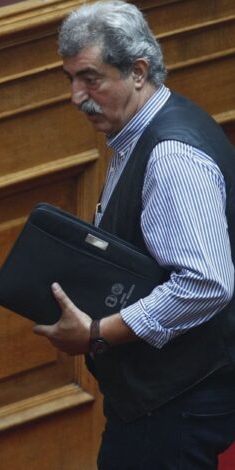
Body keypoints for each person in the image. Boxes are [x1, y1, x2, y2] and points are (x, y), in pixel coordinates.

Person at [31, 1, 235, 468]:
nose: (76, 96)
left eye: (90, 79)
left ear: (138, 71)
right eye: (70, 79)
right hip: (159, 398)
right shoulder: (144, 129)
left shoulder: (171, 156)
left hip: (174, 404)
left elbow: (205, 283)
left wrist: (97, 332)